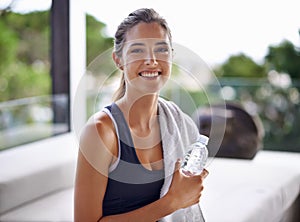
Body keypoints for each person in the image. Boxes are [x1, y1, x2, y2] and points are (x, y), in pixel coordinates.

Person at [74, 8, 209, 222]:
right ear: (118, 60)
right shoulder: (100, 131)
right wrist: (171, 202)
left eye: (161, 50)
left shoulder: (178, 122)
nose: (151, 60)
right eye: (137, 50)